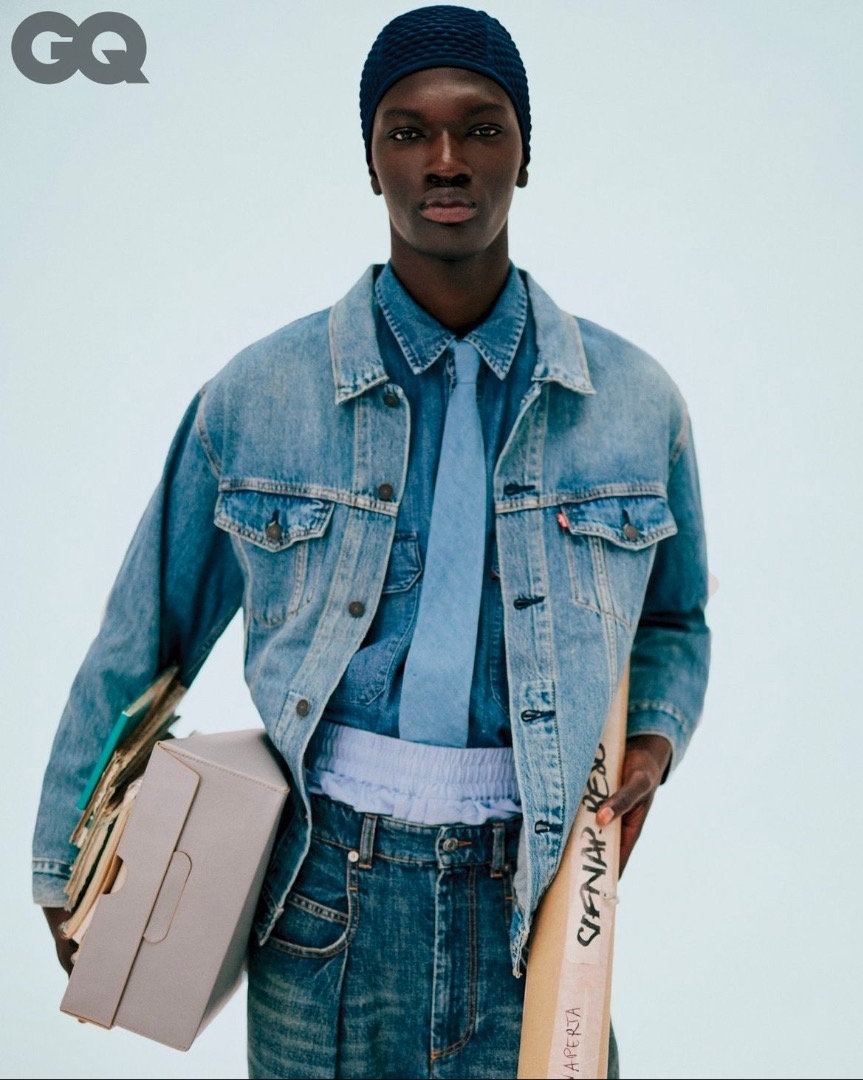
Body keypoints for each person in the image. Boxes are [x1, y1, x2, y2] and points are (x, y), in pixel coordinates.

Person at [34, 6, 711, 1078]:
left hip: (536, 900)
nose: (445, 160)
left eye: (480, 128)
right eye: (407, 132)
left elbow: (671, 618)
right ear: (370, 161)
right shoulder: (257, 396)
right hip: (321, 902)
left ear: (524, 152)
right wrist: (62, 860)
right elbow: (144, 632)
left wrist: (653, 739)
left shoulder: (633, 403)